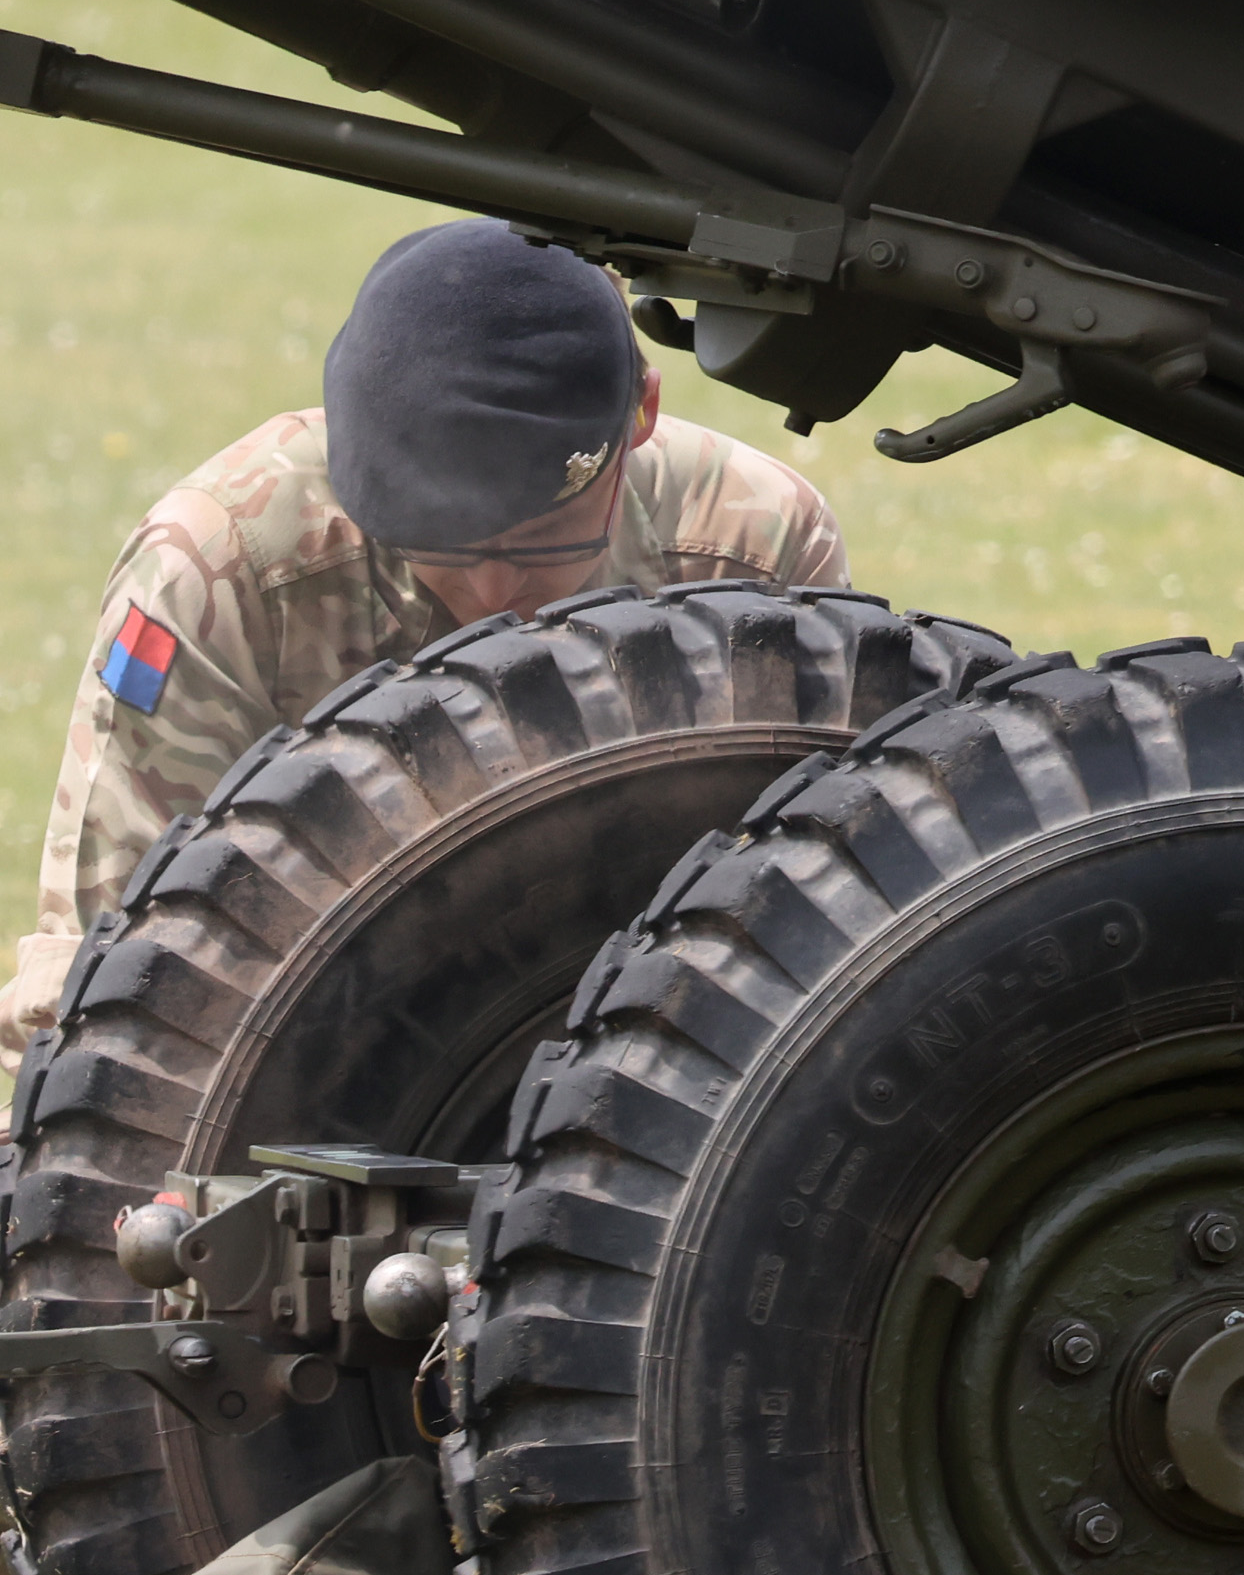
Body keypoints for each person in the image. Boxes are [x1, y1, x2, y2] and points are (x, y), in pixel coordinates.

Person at [1, 220, 848, 1053]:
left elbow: (836, 895)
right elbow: (113, 966)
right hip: (301, 1035)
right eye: (442, 547)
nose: (491, 593)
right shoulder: (227, 566)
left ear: (642, 414)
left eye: (541, 539)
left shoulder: (750, 552)